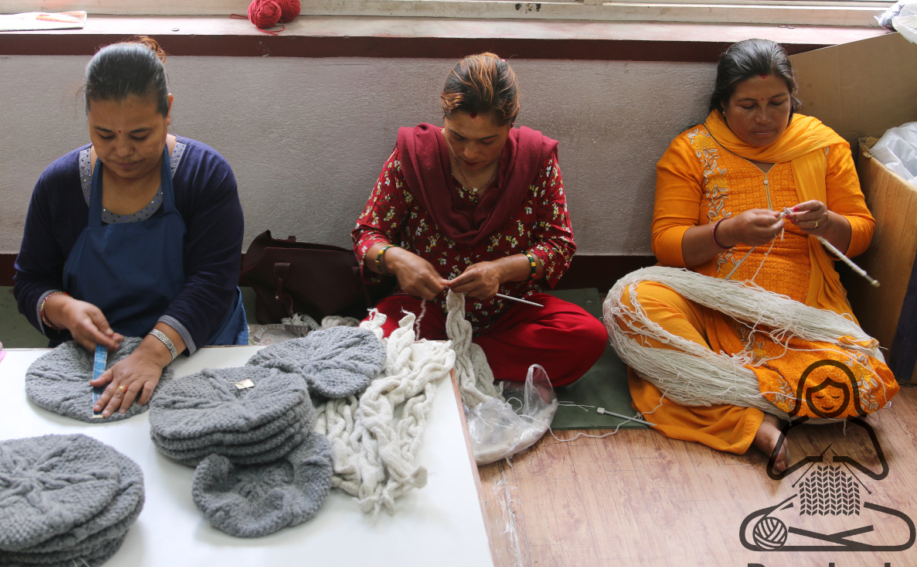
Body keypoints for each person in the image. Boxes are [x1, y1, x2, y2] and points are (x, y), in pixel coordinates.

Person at [613, 39, 899, 471]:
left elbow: (860, 234)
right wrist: (728, 232)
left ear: (792, 99)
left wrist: (827, 224)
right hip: (712, 306)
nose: (764, 118)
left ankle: (724, 397)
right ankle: (757, 414)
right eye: (748, 105)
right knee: (630, 304)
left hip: (802, 314)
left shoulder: (823, 146)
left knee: (863, 381)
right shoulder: (690, 151)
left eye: (777, 103)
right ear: (723, 104)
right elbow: (667, 245)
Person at [14, 38, 248, 419]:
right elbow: (30, 281)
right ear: (87, 115)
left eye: (140, 135)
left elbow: (212, 282)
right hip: (104, 359)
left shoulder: (205, 176)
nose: (122, 151)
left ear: (168, 110)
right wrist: (64, 309)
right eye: (104, 134)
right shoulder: (59, 186)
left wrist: (153, 353)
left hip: (196, 343)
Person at [352, 52, 607, 387]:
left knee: (587, 336)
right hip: (425, 309)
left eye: (488, 141)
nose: (470, 153)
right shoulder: (414, 157)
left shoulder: (535, 159)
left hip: (508, 312)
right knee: (370, 340)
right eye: (457, 136)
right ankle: (465, 365)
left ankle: (443, 363)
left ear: (509, 125)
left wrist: (501, 271)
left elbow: (559, 246)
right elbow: (368, 233)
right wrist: (397, 260)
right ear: (444, 118)